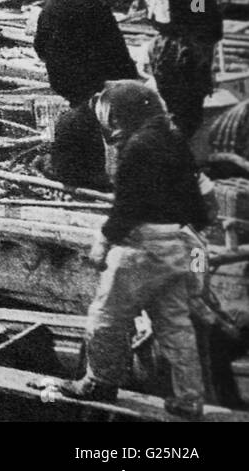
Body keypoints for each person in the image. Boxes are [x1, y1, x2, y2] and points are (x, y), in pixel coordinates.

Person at [56, 80, 211, 419]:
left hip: (141, 247)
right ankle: (189, 397)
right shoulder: (174, 141)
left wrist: (103, 242)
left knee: (106, 317)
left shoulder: (136, 147)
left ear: (121, 114)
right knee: (174, 324)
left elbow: (127, 207)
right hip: (176, 246)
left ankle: (99, 381)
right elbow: (197, 205)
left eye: (109, 115)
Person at [33, 0, 139, 188]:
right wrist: (133, 81)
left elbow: (40, 47)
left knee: (83, 116)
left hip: (62, 79)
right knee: (93, 115)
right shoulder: (97, 7)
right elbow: (117, 53)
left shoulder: (51, 4)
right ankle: (86, 173)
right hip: (90, 83)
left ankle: (77, 166)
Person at [145, 0, 223, 139]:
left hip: (160, 49)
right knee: (188, 119)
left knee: (171, 112)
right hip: (185, 55)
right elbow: (199, 14)